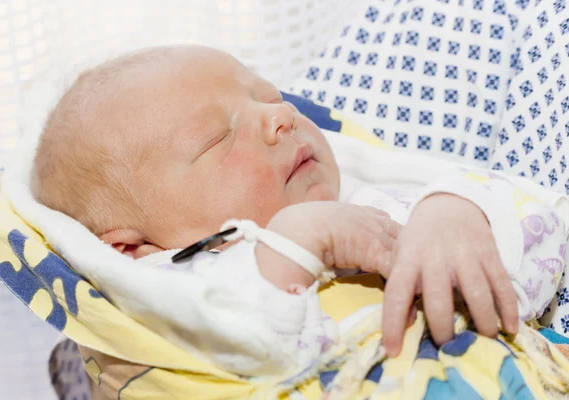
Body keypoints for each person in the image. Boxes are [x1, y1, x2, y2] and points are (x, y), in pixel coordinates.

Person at [31, 45, 567, 375]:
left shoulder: (371, 196)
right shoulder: (171, 290)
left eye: (268, 96)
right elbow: (241, 347)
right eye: (217, 137)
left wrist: (457, 213)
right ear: (132, 249)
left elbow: (545, 227)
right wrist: (295, 243)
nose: (280, 115)